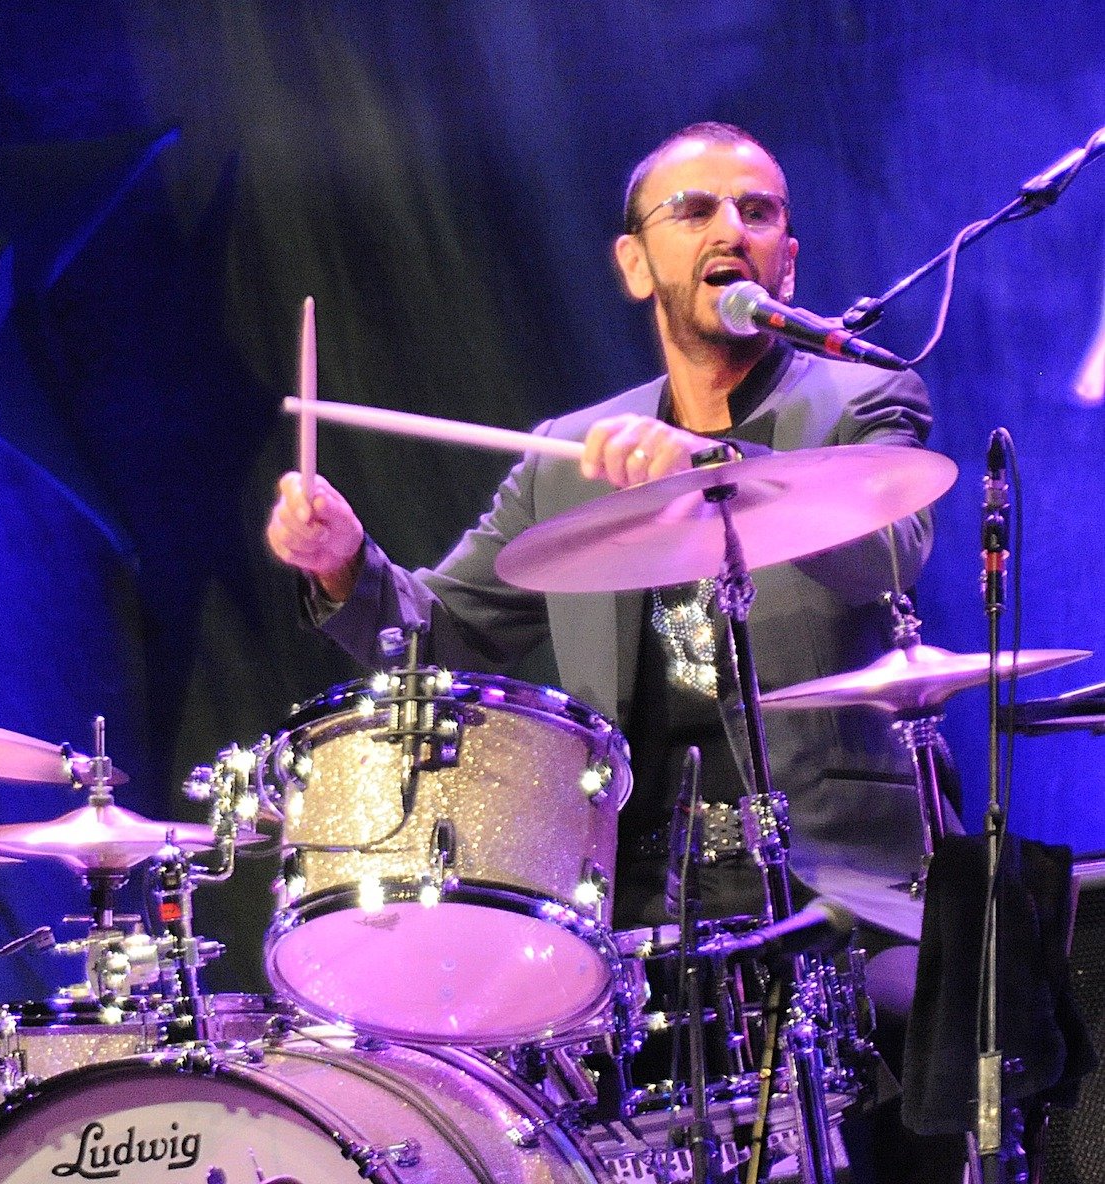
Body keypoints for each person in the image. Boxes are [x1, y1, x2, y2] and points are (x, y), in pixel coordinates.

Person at [266, 122, 962, 1180]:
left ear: (788, 260)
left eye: (758, 210)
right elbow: (444, 635)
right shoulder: (571, 454)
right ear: (636, 263)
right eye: (695, 209)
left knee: (928, 1036)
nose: (731, 227)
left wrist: (713, 465)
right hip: (639, 919)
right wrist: (343, 561)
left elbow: (886, 553)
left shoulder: (861, 400)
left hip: (847, 897)